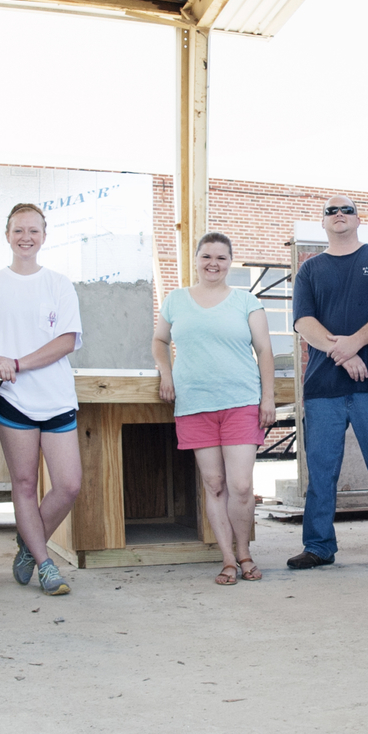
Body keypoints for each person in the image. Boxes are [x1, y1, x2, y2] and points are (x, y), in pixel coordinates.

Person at [286, 196, 368, 572]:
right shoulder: (309, 270)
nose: (339, 215)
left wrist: (353, 343)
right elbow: (303, 323)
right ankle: (318, 546)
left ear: (359, 219)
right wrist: (343, 353)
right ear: (323, 222)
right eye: (331, 211)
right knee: (322, 472)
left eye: (346, 210)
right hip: (322, 390)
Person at [0, 202, 83, 596]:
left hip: (57, 397)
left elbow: (66, 341)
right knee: (25, 484)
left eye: (33, 230)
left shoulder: (59, 284)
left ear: (44, 237)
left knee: (68, 485)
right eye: (18, 230)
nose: (25, 237)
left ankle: (28, 542)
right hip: (12, 400)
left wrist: (18, 361)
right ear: (8, 236)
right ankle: (45, 564)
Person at [153, 232, 278, 584]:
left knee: (240, 485)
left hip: (240, 401)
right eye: (207, 256)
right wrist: (166, 372)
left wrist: (267, 398)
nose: (213, 263)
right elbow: (160, 340)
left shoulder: (246, 301)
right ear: (196, 259)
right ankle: (227, 559)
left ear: (230, 262)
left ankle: (245, 553)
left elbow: (265, 351)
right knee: (214, 482)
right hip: (194, 403)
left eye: (221, 258)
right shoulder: (176, 300)